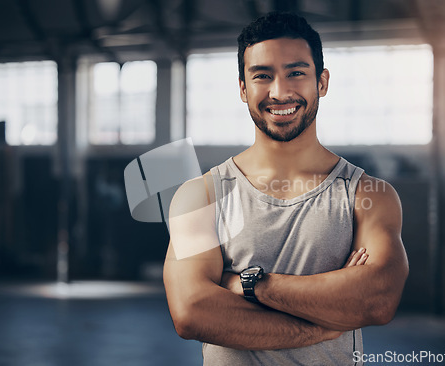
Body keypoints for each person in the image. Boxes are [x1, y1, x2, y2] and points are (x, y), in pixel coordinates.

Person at [163, 11, 409, 366]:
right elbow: (192, 312)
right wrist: (324, 324)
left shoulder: (368, 196)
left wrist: (248, 285)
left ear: (321, 82)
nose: (280, 92)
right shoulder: (200, 196)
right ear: (243, 88)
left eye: (296, 73)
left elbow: (377, 300)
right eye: (263, 76)